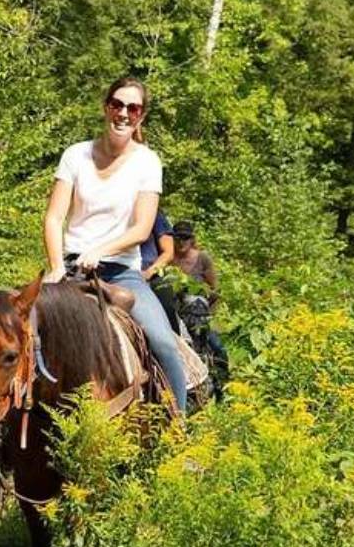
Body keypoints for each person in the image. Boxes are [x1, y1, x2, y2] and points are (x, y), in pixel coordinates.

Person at [43, 76, 189, 413]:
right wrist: (55, 266)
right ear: (106, 107)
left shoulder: (147, 162)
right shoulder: (75, 155)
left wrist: (100, 250)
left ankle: (179, 433)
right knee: (18, 331)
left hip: (122, 273)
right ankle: (0, 438)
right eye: (117, 105)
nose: (123, 113)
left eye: (133, 108)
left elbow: (141, 229)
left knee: (163, 341)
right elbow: (54, 218)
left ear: (141, 116)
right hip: (70, 270)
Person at [170, 221, 228, 381]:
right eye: (178, 238)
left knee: (217, 347)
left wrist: (209, 315)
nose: (182, 242)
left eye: (186, 238)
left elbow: (215, 290)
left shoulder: (202, 258)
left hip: (201, 314)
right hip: (176, 313)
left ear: (192, 239)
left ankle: (223, 381)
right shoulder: (168, 259)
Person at [140, 210, 181, 334]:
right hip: (110, 270)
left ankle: (175, 344)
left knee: (167, 307)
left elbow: (168, 252)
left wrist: (149, 272)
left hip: (150, 273)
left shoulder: (154, 213)